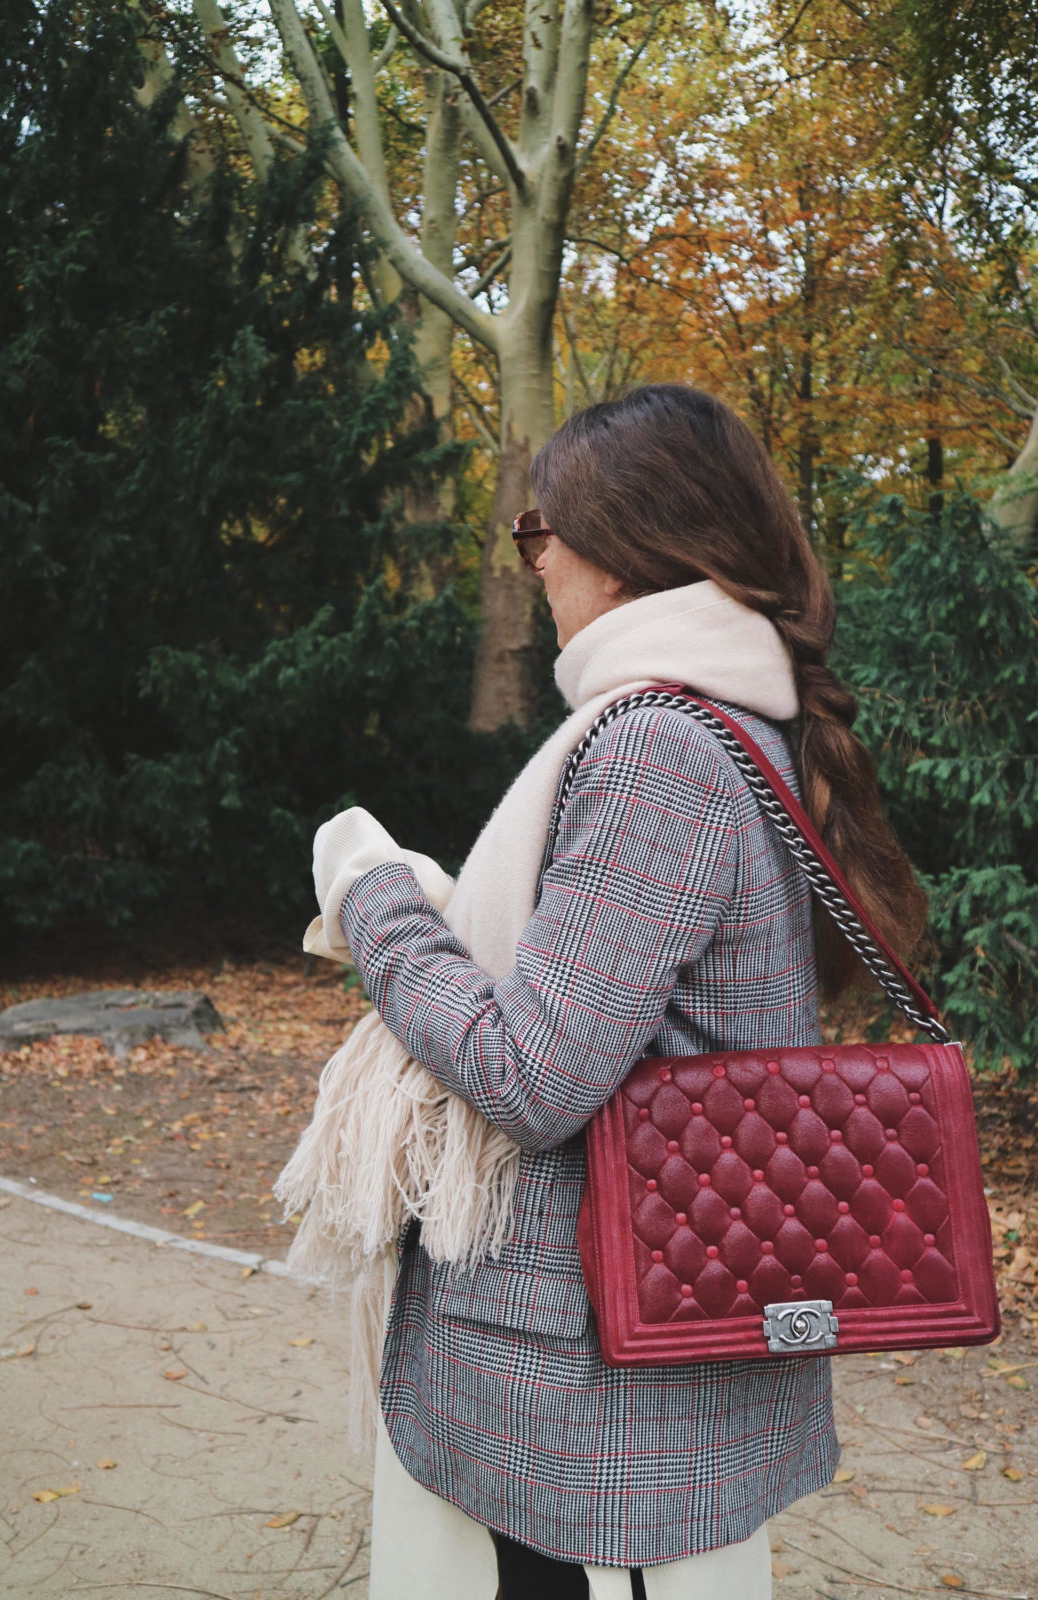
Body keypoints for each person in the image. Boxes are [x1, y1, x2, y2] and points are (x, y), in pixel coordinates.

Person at [295, 384, 927, 1599]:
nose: (534, 562)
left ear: (625, 547)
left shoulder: (656, 748)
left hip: (589, 1397)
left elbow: (533, 1076)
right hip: (651, 1357)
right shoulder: (737, 728)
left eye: (541, 532)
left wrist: (375, 897)